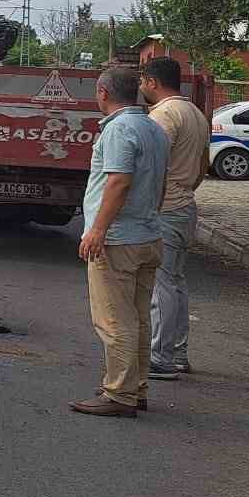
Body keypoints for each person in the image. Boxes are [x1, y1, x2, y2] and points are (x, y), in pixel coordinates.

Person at [71, 65, 169, 419]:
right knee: (138, 318)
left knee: (115, 320)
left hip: (119, 240)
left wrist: (97, 229)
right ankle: (135, 386)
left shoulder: (118, 130)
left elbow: (118, 182)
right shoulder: (153, 128)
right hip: (147, 234)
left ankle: (119, 393)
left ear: (103, 92)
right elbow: (158, 182)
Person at [139, 56, 209, 379]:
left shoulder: (164, 115)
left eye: (143, 81)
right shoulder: (196, 113)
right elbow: (203, 167)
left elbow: (152, 162)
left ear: (153, 82)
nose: (141, 87)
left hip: (165, 208)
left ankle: (161, 357)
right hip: (185, 206)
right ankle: (177, 353)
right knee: (176, 283)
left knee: (161, 286)